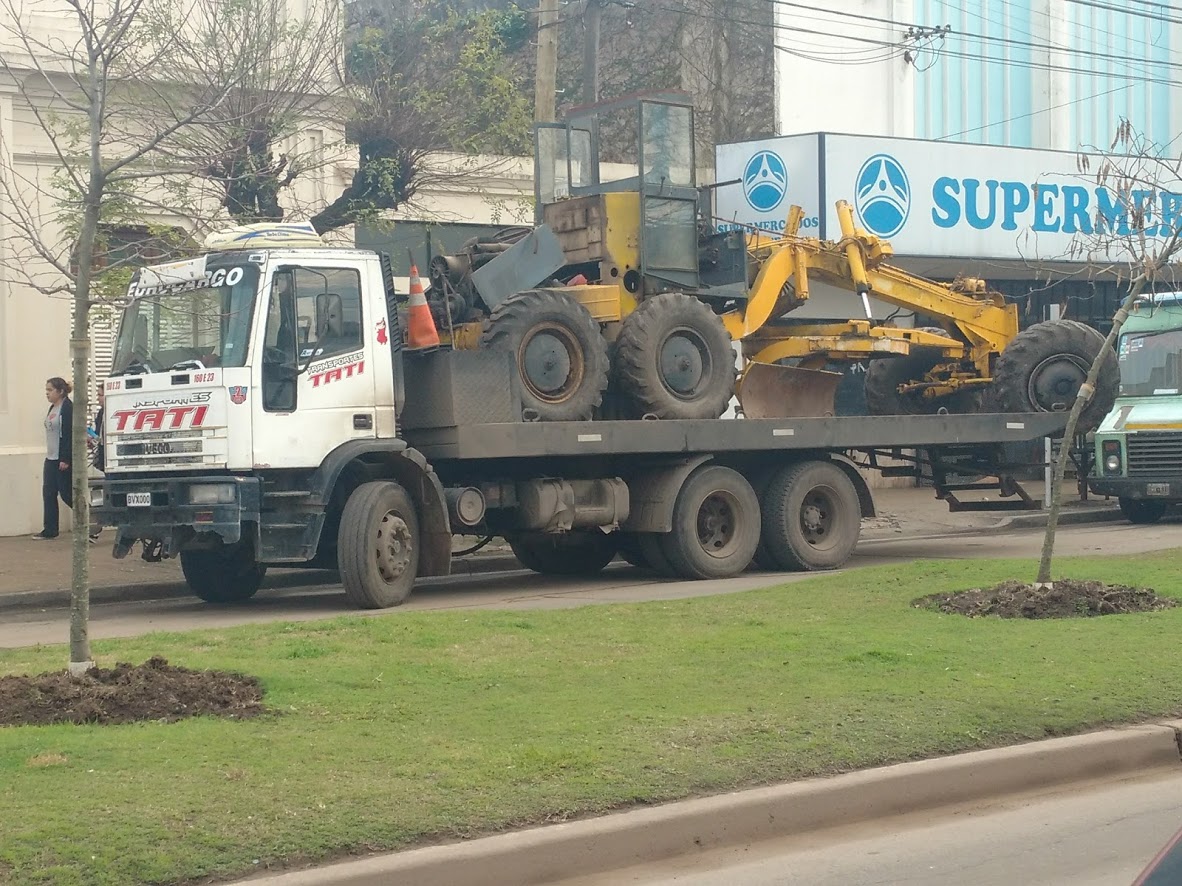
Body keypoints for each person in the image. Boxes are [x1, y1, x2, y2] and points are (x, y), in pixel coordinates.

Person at [34, 377, 74, 540]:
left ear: (60, 391)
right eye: (46, 390)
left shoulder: (67, 408)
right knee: (48, 493)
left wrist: (66, 458)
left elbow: (67, 434)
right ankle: (50, 529)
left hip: (62, 458)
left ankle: (91, 519)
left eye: (50, 390)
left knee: (66, 493)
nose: (47, 394)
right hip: (50, 458)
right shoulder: (52, 407)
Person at [88, 385, 105, 542]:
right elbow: (99, 435)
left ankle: (95, 528)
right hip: (103, 458)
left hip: (109, 459)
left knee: (102, 493)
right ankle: (95, 528)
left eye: (100, 395)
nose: (98, 398)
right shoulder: (100, 413)